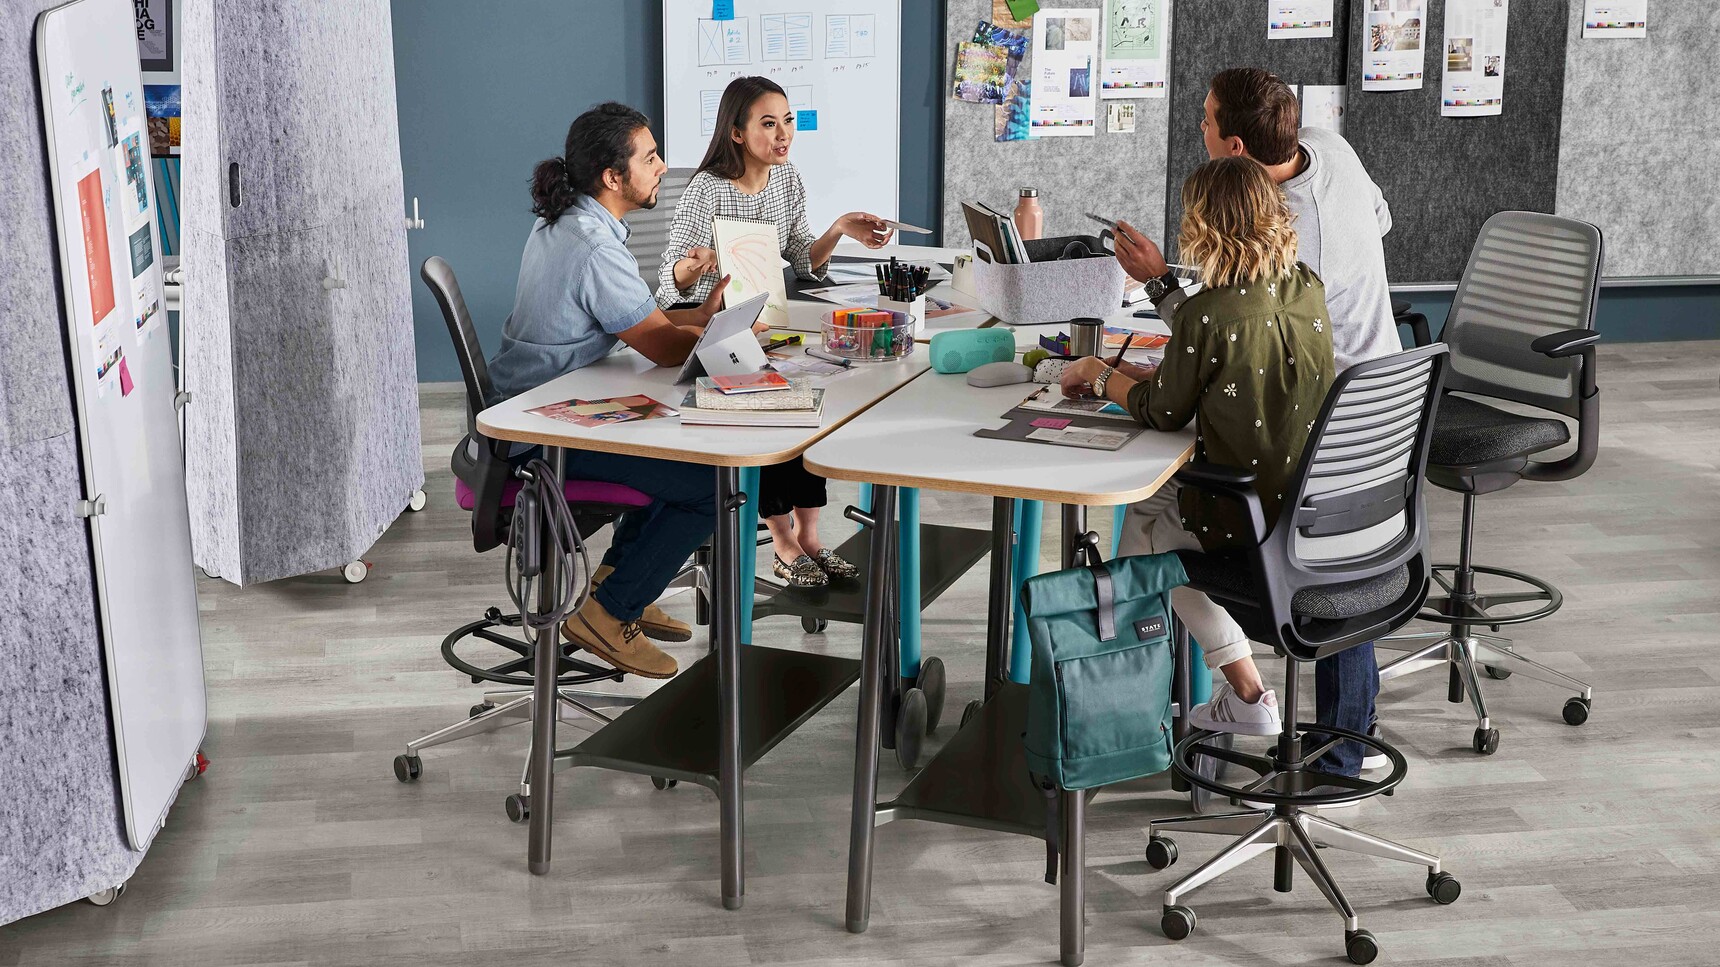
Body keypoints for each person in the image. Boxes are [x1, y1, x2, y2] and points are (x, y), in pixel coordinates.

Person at [1106, 67, 1400, 779]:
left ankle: (1324, 743)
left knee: (1168, 521)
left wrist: (1162, 290)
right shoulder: (1328, 148)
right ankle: (1338, 736)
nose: (1197, 129)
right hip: (1385, 405)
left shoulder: (1300, 261)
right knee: (1342, 555)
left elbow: (1234, 338)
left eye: (1204, 120)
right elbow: (1382, 219)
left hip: (1332, 412)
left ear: (1236, 145)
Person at [1060, 155, 1336, 742]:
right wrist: (1158, 370)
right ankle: (1148, 681)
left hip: (1246, 508)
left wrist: (1099, 373)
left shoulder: (1207, 314)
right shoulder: (1305, 283)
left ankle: (1235, 691)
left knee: (1153, 552)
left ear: (1204, 227)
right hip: (1304, 493)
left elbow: (1163, 412)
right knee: (1141, 517)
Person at [487, 102, 736, 681]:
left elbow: (641, 322)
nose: (663, 167)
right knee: (711, 483)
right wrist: (724, 332)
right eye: (650, 158)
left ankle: (619, 583)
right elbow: (663, 347)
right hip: (543, 433)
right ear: (612, 177)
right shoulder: (595, 248)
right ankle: (609, 611)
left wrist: (701, 315)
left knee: (674, 451)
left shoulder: (569, 220)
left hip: (540, 409)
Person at [657, 75, 892, 589]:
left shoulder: (788, 180)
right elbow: (667, 286)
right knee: (770, 405)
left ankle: (811, 534)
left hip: (772, 328)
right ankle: (781, 538)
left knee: (815, 396)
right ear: (737, 133)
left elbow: (804, 260)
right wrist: (692, 270)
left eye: (788, 121)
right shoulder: (706, 190)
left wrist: (835, 232)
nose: (783, 134)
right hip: (719, 333)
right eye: (768, 123)